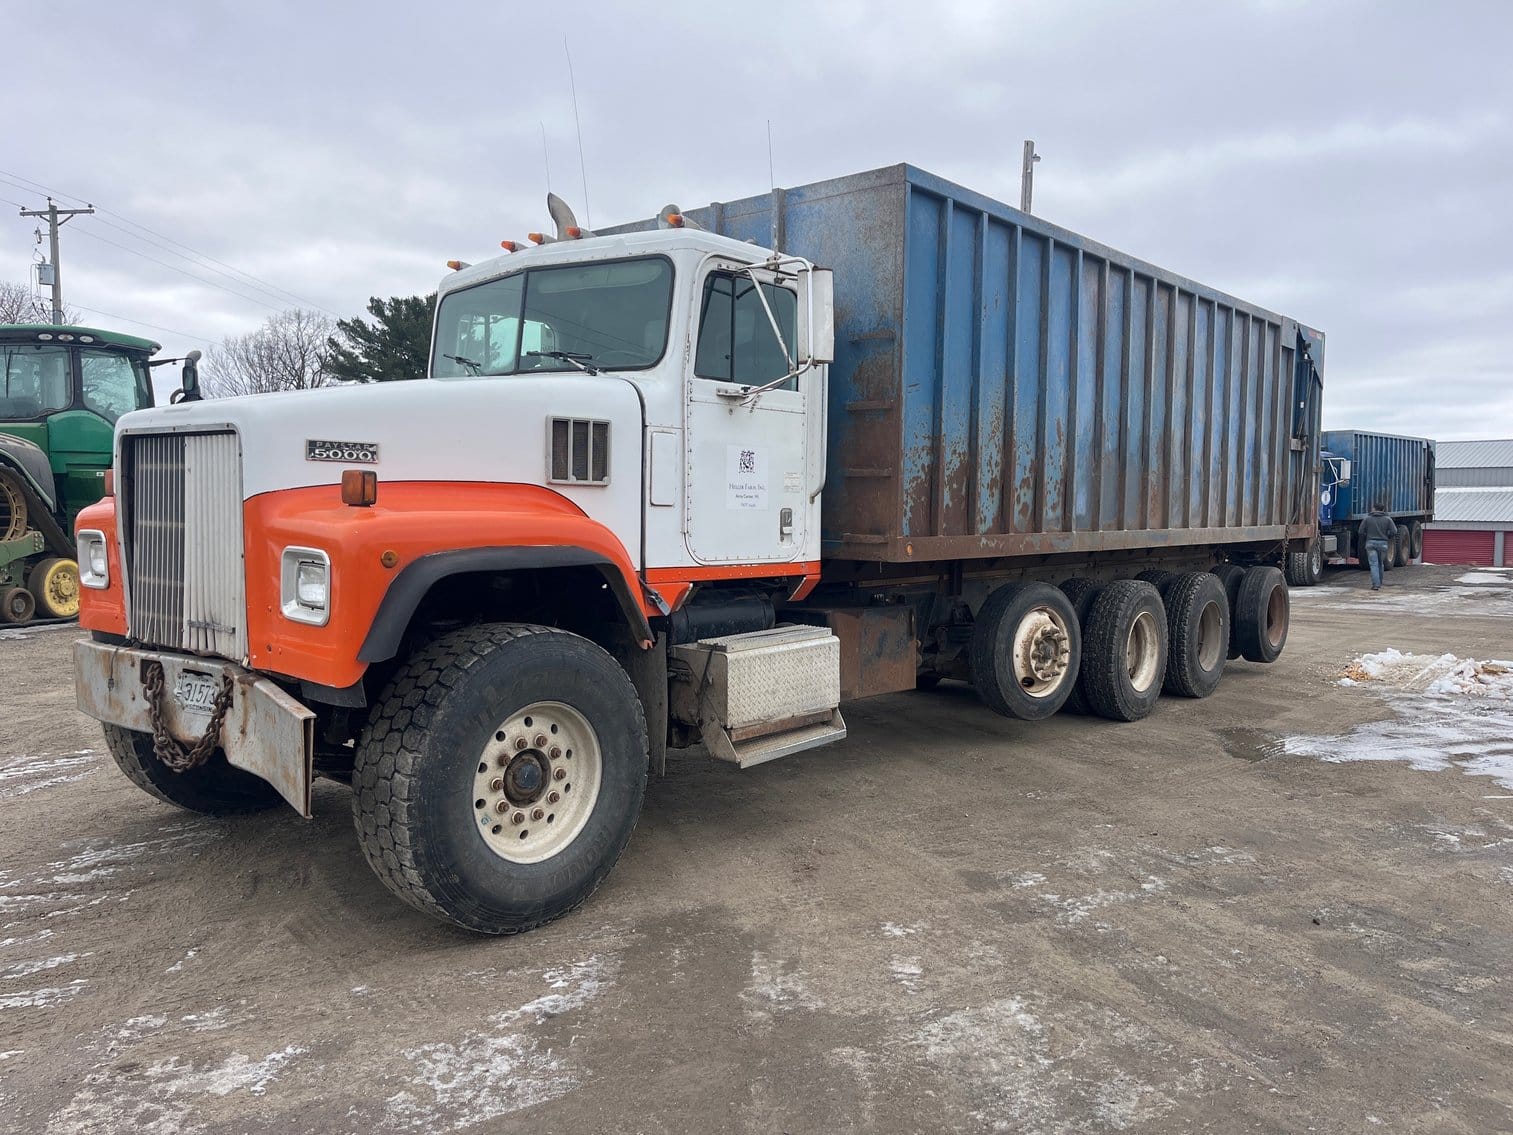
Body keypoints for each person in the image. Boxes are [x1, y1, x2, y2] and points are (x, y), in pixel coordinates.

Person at [1359, 502, 1398, 591]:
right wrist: (1387, 536)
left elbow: (1361, 531)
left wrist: (1366, 537)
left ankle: (1376, 585)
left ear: (1374, 508)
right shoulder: (1388, 519)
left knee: (1374, 564)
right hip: (1383, 544)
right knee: (1381, 563)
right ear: (1383, 509)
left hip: (1370, 543)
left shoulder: (1367, 519)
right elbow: (1394, 531)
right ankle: (1379, 583)